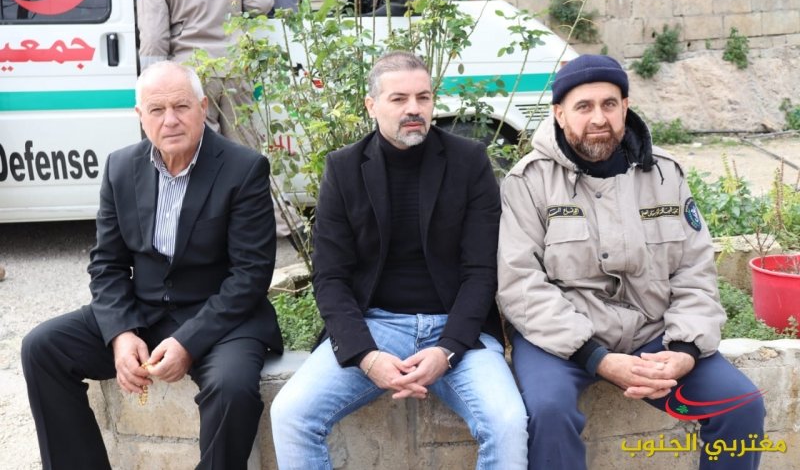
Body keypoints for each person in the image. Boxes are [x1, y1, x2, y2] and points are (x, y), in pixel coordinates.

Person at [497, 54, 766, 470]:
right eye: (583, 106)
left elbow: (695, 271)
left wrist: (685, 350)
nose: (598, 118)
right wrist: (596, 357)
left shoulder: (665, 175)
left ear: (625, 107)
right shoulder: (528, 181)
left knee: (740, 406)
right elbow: (520, 284)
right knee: (548, 412)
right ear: (559, 114)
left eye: (609, 104)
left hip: (653, 335)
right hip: (562, 342)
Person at [270, 51, 528, 469]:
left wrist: (447, 350)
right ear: (371, 105)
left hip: (457, 330)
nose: (414, 109)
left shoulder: (468, 161)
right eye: (399, 99)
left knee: (508, 423)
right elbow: (331, 278)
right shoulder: (344, 168)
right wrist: (366, 356)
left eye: (423, 97)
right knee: (290, 415)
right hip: (375, 326)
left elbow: (481, 272)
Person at [21, 61, 283, 470]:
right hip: (143, 313)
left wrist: (187, 342)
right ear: (140, 115)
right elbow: (107, 263)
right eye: (157, 110)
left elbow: (250, 276)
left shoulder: (244, 168)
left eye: (181, 106)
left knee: (231, 388)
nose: (170, 120)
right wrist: (120, 333)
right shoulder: (120, 167)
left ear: (202, 107)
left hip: (221, 320)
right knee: (43, 348)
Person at [136, 0, 273, 137]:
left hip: (192, 72)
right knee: (244, 144)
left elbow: (154, 37)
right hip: (236, 67)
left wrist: (152, 82)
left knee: (202, 146)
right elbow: (262, 2)